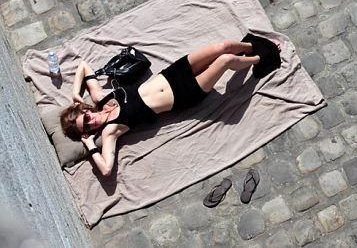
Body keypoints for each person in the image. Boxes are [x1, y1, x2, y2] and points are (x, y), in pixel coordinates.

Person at [60, 40, 261, 177]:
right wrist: (90, 146)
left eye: (85, 119)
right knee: (226, 60)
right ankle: (260, 59)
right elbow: (106, 169)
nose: (90, 123)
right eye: (86, 128)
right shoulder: (110, 131)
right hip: (185, 94)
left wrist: (76, 93)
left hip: (172, 74)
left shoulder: (100, 98)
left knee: (223, 46)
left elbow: (83, 66)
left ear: (86, 111)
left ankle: (254, 45)